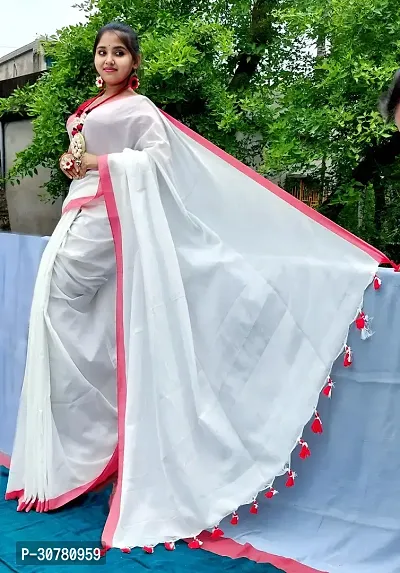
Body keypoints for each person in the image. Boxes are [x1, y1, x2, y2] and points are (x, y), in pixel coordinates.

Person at [5, 22, 389, 552]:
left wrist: (97, 162)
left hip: (109, 223)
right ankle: (81, 450)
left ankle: (108, 439)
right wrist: (75, 165)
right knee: (60, 322)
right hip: (83, 214)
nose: (109, 60)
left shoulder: (140, 110)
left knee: (73, 317)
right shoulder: (91, 106)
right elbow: (88, 166)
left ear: (134, 63)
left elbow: (157, 164)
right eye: (102, 52)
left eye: (119, 53)